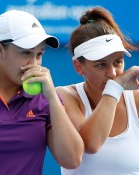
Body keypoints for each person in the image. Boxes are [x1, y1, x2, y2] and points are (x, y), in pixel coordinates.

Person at [0, 10, 84, 175]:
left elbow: (72, 160)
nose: (34, 64)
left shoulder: (46, 99)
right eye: (26, 53)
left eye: (39, 54)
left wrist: (52, 99)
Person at [56, 7, 139, 175]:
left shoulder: (136, 100)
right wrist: (114, 88)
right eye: (101, 64)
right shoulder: (65, 97)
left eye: (118, 62)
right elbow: (91, 144)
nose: (113, 73)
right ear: (79, 67)